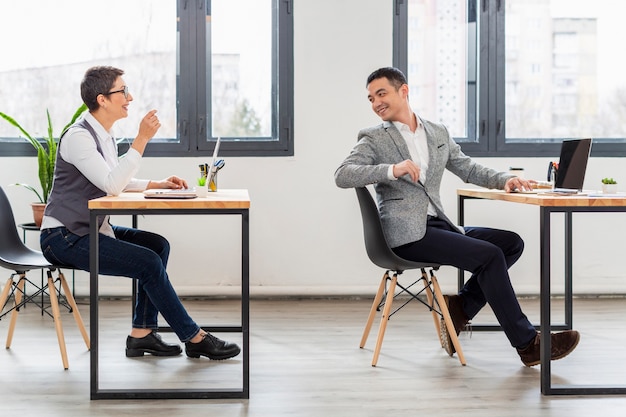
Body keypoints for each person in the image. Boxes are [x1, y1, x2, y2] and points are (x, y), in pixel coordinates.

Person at [334, 67, 579, 366]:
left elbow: (467, 167)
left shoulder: (437, 133)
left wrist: (504, 179)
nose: (376, 103)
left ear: (404, 91)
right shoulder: (373, 138)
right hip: (405, 235)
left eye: (381, 94)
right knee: (489, 256)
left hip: (436, 224)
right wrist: (391, 169)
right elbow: (343, 174)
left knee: (510, 244)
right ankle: (528, 343)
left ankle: (461, 307)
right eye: (371, 98)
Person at [39, 66, 240, 361]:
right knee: (147, 262)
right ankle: (194, 337)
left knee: (157, 246)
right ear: (102, 99)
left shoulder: (103, 135)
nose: (129, 97)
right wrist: (141, 139)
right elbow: (110, 183)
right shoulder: (78, 138)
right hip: (63, 237)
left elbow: (111, 177)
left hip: (89, 229)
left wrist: (156, 184)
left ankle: (141, 334)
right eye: (123, 91)